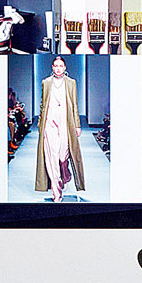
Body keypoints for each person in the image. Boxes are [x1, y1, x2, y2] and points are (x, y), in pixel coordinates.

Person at [34, 56, 86, 199]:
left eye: (60, 65)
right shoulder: (46, 82)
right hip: (49, 122)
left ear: (65, 67)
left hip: (65, 121)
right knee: (52, 156)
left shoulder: (71, 83)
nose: (58, 68)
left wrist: (77, 125)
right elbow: (42, 104)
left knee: (63, 155)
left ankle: (65, 174)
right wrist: (40, 125)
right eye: (55, 65)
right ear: (52, 67)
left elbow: (75, 104)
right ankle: (57, 193)